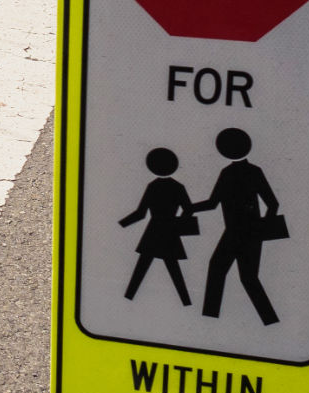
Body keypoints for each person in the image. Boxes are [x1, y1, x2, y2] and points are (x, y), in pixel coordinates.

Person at [192, 127, 283, 325]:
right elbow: (272, 204)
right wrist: (261, 227)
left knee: (235, 274)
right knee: (236, 274)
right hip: (243, 233)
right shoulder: (246, 171)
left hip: (240, 233)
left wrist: (190, 208)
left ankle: (268, 322)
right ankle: (210, 319)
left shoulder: (232, 173)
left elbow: (212, 203)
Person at [119, 147, 196, 305]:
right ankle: (186, 301)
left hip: (154, 231)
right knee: (173, 269)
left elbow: (141, 213)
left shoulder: (153, 186)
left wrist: (123, 223)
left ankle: (128, 297)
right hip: (170, 232)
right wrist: (178, 224)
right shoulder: (178, 187)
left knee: (142, 268)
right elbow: (189, 210)